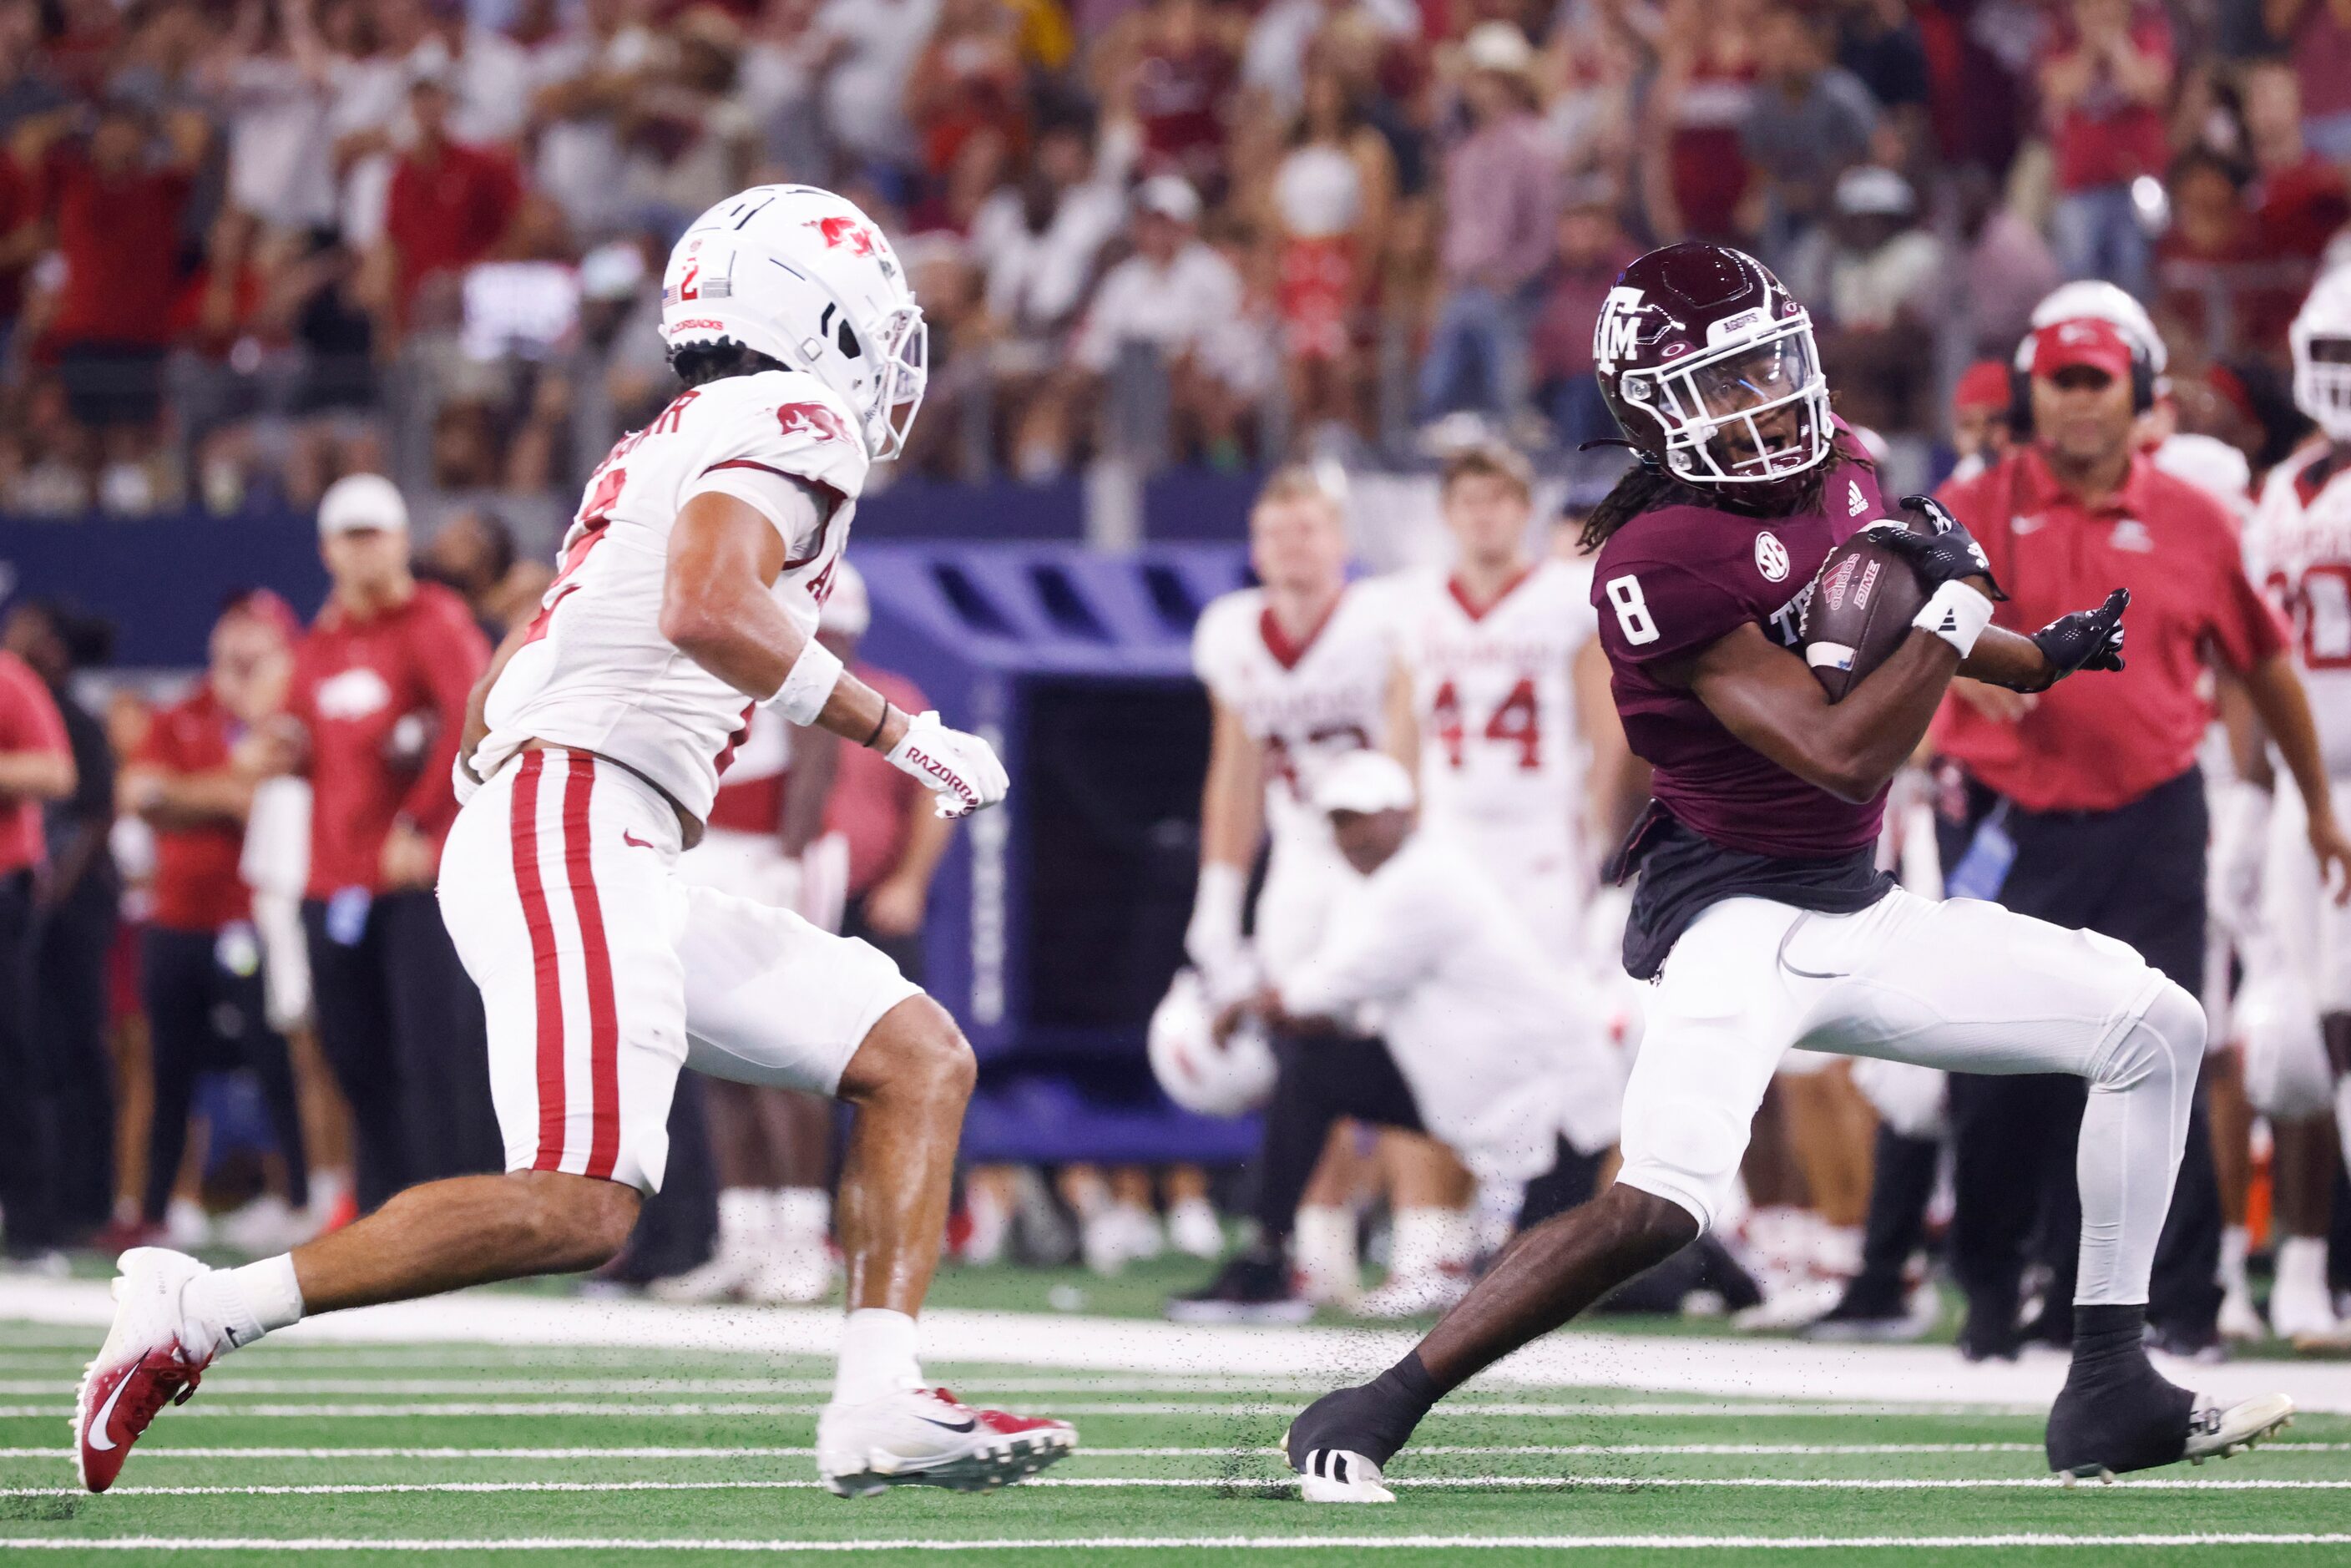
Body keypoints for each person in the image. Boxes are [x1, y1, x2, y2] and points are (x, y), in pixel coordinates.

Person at [77, 184, 1074, 1502]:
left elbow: (509, 669)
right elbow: (709, 604)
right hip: (577, 813)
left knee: (916, 1054)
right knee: (579, 1205)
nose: (887, 355)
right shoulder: (797, 414)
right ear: (816, 314)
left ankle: (879, 1399)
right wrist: (905, 732)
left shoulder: (663, 437)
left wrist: (528, 784)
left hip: (591, 824)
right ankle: (196, 1310)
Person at [1279, 240, 2287, 1503]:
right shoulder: (1654, 556)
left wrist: (2039, 657)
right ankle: (1372, 1404)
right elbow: (1838, 756)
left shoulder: (1844, 465)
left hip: (1855, 910)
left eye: (1767, 366)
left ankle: (2110, 1383)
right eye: (1719, 383)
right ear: (1652, 412)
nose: (1758, 402)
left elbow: (1907, 618)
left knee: (2156, 1025)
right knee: (1662, 1205)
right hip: (1736, 919)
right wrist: (1959, 613)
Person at [1934, 312, 2343, 1361]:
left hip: (2154, 813)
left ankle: (2169, 1301)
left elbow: (2262, 665)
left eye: (2097, 379)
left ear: (2136, 393)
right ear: (2032, 393)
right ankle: (1990, 1284)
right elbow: (1895, 642)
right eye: (2060, 380)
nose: (2077, 398)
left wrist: (2313, 803)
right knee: (1995, 1064)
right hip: (2011, 822)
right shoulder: (1972, 506)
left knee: (2163, 1048)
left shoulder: (2195, 519)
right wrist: (1963, 691)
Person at [1170, 465, 1458, 1319]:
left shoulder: (1382, 618)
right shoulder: (1231, 630)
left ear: (1340, 541)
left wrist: (1399, 873)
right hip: (1300, 857)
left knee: (1402, 1044)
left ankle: (1423, 1246)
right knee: (1301, 1053)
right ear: (1253, 547)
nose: (1291, 548)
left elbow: (1405, 751)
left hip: (1381, 853)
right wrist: (1217, 896)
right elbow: (1235, 771)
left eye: (1307, 530)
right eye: (1274, 532)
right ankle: (1312, 1251)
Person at [1221, 749, 1623, 1297]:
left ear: (1404, 814)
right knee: (1314, 1073)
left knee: (1543, 1287)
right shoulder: (1380, 885)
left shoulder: (1424, 880)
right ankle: (1268, 1253)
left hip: (1559, 1109)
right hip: (1492, 1088)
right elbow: (1341, 1002)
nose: (1352, 835)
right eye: (1339, 822)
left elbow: (1328, 985)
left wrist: (1239, 1007)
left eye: (1362, 817)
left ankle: (1706, 1268)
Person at [269, 473, 497, 1214]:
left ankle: (453, 1213)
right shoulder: (324, 638)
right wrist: (284, 746)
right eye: (350, 536)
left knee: (433, 1048)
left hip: (413, 876)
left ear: (400, 540)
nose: (364, 550)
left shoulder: (435, 620)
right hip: (335, 877)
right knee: (352, 1051)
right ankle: (386, 1207)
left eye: (375, 534)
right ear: (327, 550)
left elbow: (474, 719)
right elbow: (309, 734)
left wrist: (422, 823)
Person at [2217, 267, 2351, 1347]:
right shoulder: (2283, 488)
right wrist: (2253, 801)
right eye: (2335, 356)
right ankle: (2302, 1272)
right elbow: (2255, 661)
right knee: (2298, 1045)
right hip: (2313, 792)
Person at [117, 594, 312, 1254]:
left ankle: (302, 1203)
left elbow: (244, 799)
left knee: (279, 1061)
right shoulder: (185, 713)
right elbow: (141, 793)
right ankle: (156, 1207)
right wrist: (223, 787)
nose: (241, 658)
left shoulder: (291, 721)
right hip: (177, 921)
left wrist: (184, 795)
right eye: (233, 644)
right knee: (166, 1068)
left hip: (256, 921)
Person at [0, 630, 73, 1258]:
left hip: (3, 883)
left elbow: (55, 770)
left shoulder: (7, 677)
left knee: (10, 1058)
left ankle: (30, 1228)